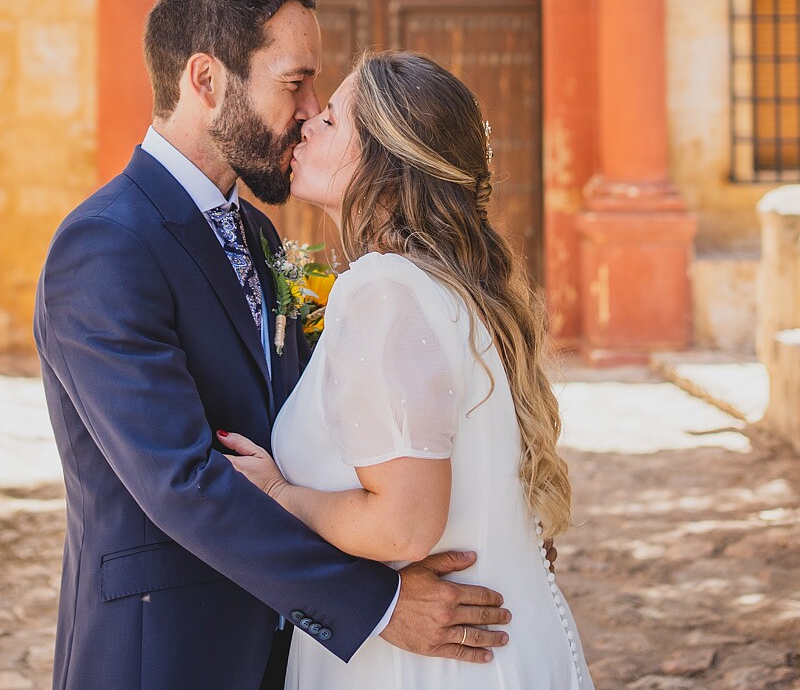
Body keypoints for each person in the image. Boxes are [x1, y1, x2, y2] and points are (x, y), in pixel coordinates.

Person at [35, 0, 514, 690]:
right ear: (206, 81)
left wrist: (485, 527)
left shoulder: (260, 236)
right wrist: (378, 604)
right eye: (295, 83)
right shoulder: (105, 245)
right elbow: (183, 479)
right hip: (165, 654)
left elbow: (363, 430)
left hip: (285, 654)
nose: (311, 108)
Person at [220, 51, 594, 689]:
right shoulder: (451, 288)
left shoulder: (384, 287)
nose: (307, 123)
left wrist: (282, 498)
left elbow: (404, 525)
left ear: (385, 168)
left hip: (421, 668)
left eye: (333, 121)